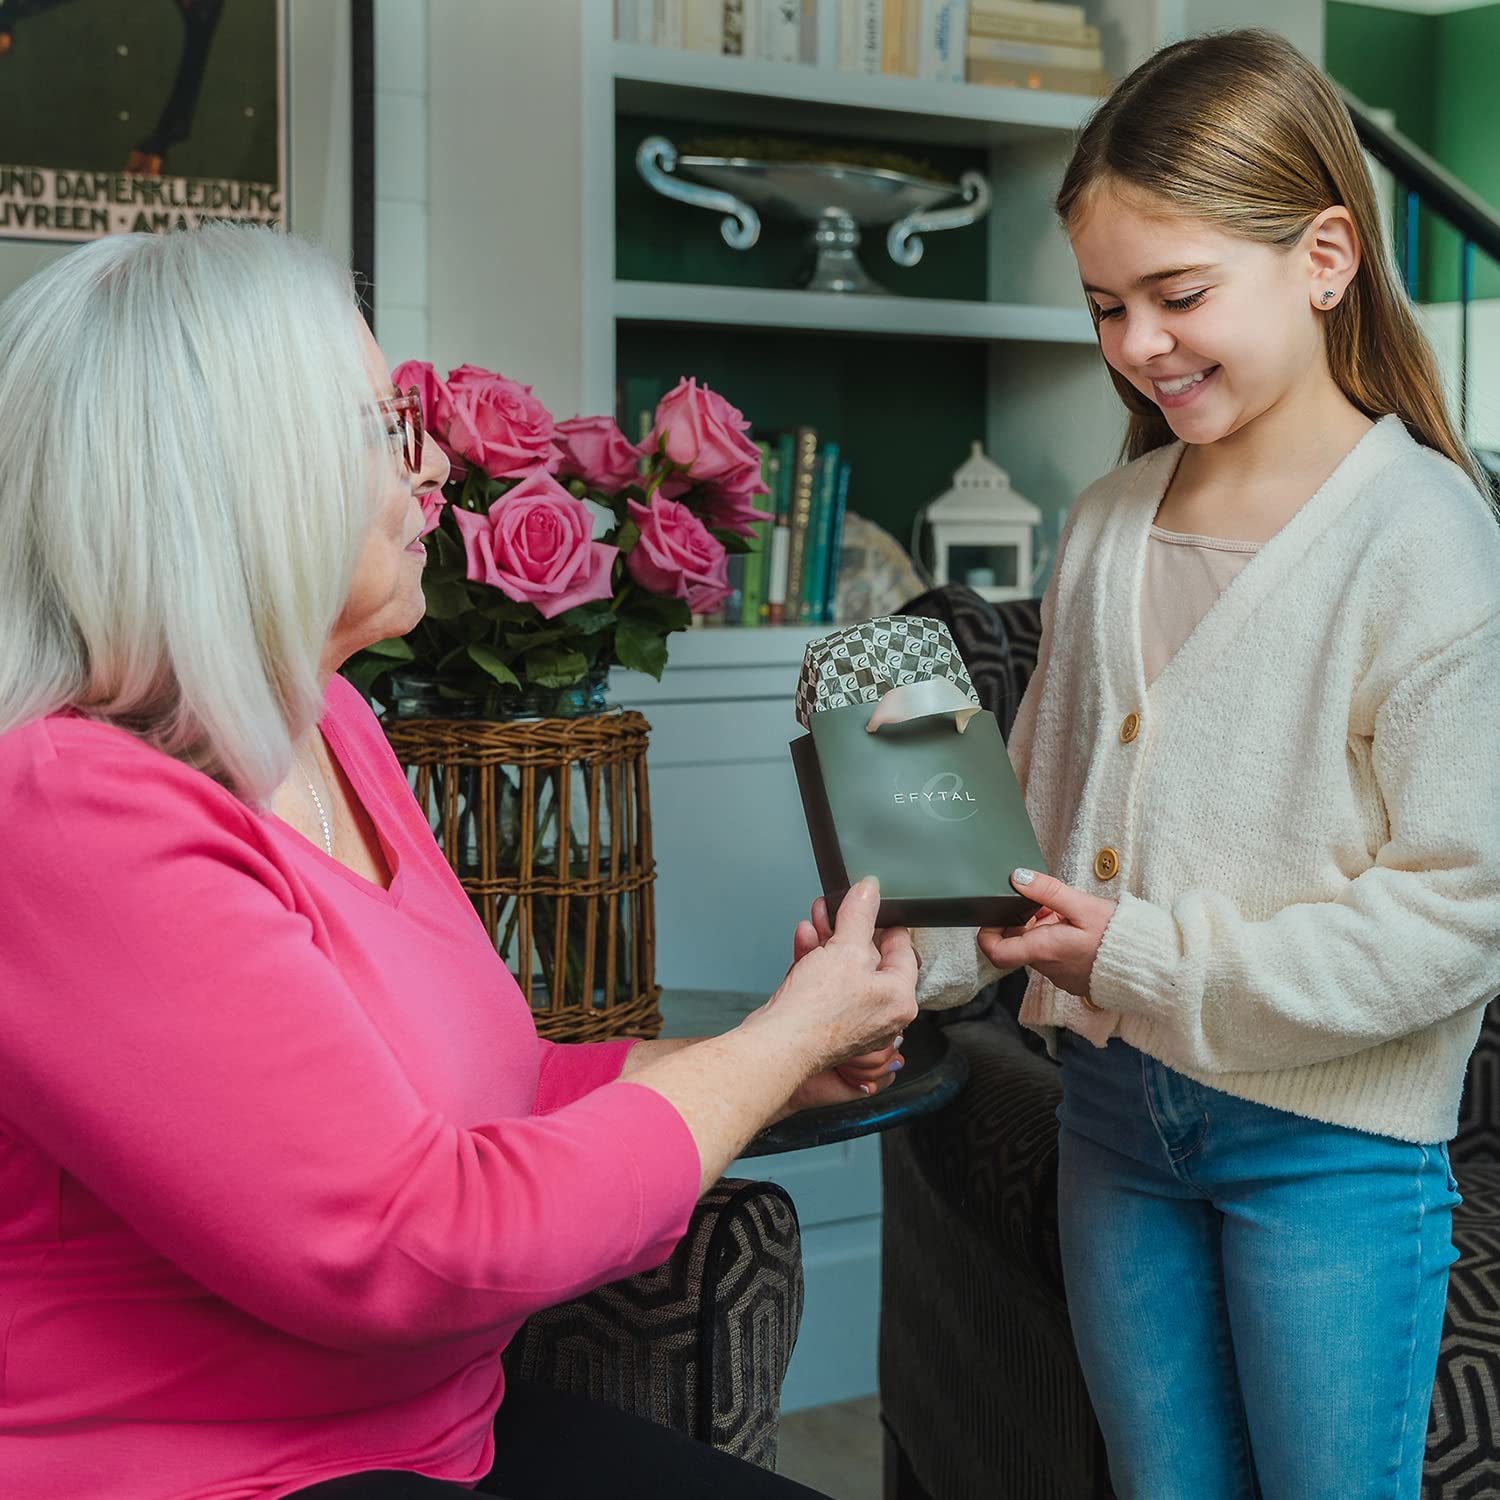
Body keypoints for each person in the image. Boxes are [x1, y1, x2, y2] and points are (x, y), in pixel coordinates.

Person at [0, 224, 918, 1500]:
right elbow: (410, 1240)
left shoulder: (332, 723)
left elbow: (496, 1089)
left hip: (438, 1438)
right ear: (241, 478)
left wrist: (778, 1059)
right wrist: (772, 1047)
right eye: (385, 428)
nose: (431, 465)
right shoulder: (61, 807)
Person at [973, 29, 1500, 1500]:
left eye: (1180, 294)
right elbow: (1042, 814)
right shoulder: (1103, 519)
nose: (1138, 342)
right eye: (1105, 306)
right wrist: (925, 939)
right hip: (1113, 1118)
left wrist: (1142, 954)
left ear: (1326, 255)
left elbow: (1460, 912)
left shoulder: (1430, 543)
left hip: (1331, 1150)